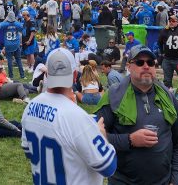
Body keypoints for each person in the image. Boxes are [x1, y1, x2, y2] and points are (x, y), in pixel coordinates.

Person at [20, 47, 116, 184]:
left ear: (47, 74)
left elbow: (29, 152)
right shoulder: (77, 117)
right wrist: (101, 135)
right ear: (75, 75)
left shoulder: (30, 107)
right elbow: (108, 167)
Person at [96, 46, 178, 185]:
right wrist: (130, 140)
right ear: (129, 66)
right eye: (140, 62)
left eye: (150, 62)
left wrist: (176, 180)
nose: (146, 66)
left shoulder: (167, 96)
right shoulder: (114, 96)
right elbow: (95, 139)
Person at [157, 15, 178, 89]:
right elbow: (159, 42)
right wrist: (162, 52)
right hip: (167, 59)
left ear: (177, 22)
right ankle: (168, 95)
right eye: (170, 21)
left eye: (173, 21)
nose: (171, 22)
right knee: (167, 81)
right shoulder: (164, 31)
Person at [0, 13, 25, 80]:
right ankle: (22, 75)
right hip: (16, 44)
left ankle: (11, 76)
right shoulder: (17, 24)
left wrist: (5, 20)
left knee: (9, 60)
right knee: (18, 60)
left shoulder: (5, 24)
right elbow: (22, 28)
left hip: (8, 44)